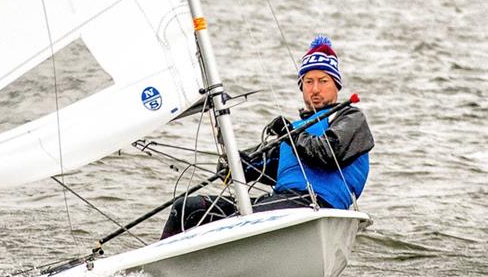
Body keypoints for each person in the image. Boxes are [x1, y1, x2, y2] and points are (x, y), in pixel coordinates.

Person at [160, 35, 374, 239]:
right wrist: (232, 160)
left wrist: (289, 133)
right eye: (308, 82)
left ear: (336, 84)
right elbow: (253, 168)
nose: (315, 89)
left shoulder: (350, 117)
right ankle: (154, 273)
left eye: (323, 81)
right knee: (187, 207)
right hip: (280, 204)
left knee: (241, 217)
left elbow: (327, 152)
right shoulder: (294, 131)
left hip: (315, 208)